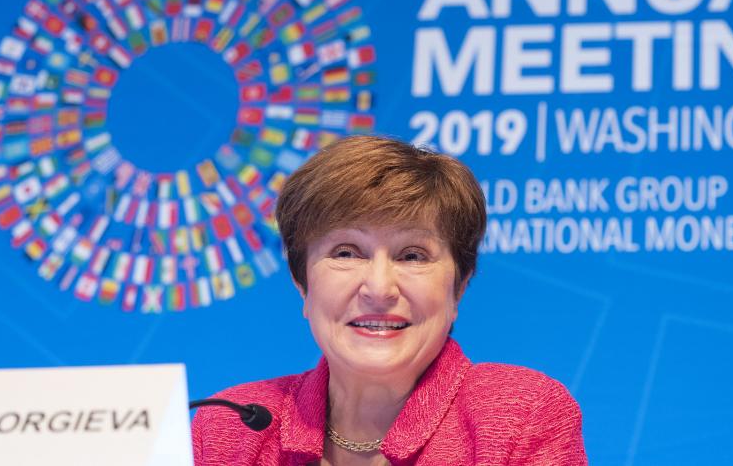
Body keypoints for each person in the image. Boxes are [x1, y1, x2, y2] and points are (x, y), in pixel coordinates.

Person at [191, 135, 586, 465]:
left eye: (412, 255)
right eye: (346, 253)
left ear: (460, 286)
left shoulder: (517, 416)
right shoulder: (230, 426)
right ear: (301, 282)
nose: (379, 288)